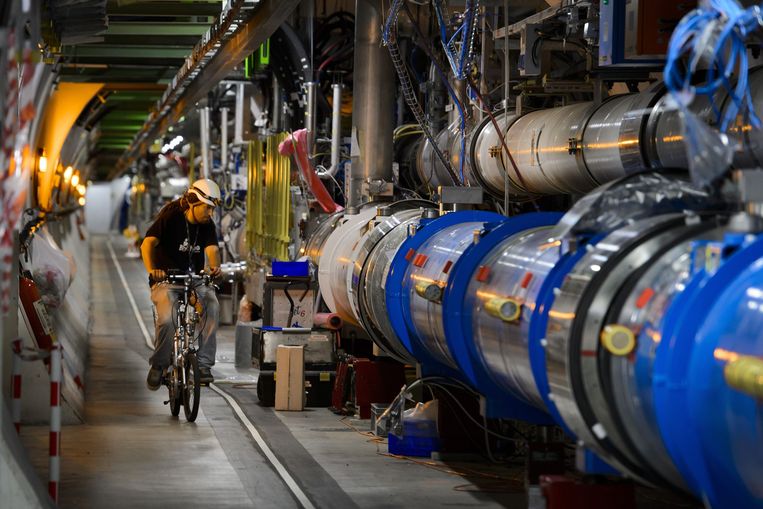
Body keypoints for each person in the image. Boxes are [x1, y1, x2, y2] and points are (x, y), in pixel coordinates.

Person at [141, 178, 222, 390]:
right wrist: (153, 271)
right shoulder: (171, 217)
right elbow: (147, 244)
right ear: (194, 203)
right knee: (167, 319)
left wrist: (214, 268)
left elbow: (212, 250)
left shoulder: (207, 225)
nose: (210, 214)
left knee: (211, 305)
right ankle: (159, 365)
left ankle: (203, 365)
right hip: (166, 280)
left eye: (213, 210)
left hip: (193, 279)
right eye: (208, 209)